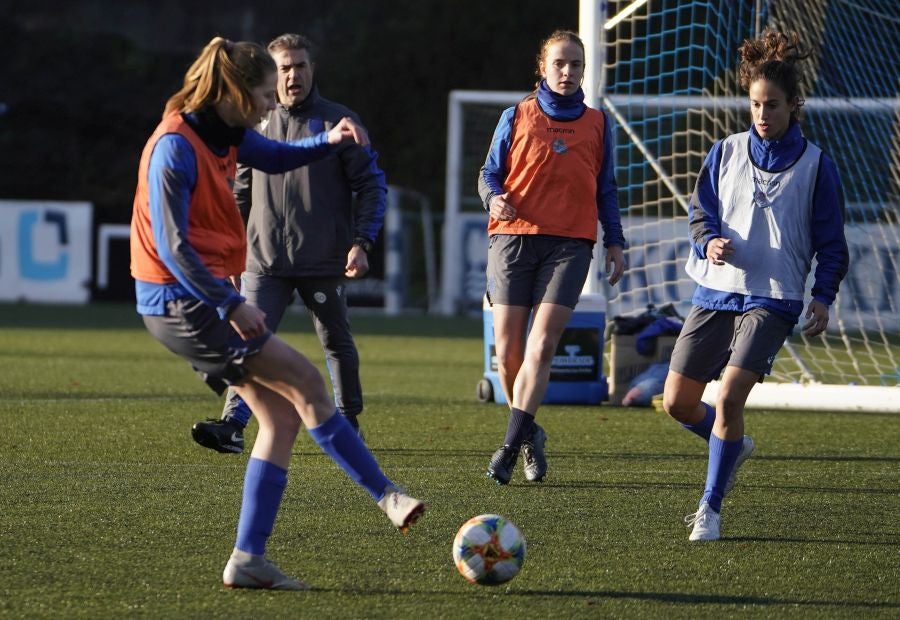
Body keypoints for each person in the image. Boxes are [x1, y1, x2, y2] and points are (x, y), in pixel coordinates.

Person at [130, 37, 424, 590]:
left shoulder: (229, 133)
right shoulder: (175, 146)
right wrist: (232, 303)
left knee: (282, 416)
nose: (272, 105)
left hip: (194, 300)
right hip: (181, 302)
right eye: (265, 93)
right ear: (236, 92)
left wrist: (329, 139)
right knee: (310, 383)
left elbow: (280, 156)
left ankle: (248, 559)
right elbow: (172, 249)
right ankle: (386, 495)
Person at [662, 29, 849, 542]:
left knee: (728, 399)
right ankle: (733, 446)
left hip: (775, 296)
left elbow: (832, 243)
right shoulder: (724, 153)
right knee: (677, 402)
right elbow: (701, 215)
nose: (762, 114)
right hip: (716, 291)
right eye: (754, 105)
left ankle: (710, 508)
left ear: (794, 105)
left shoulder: (818, 167)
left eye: (771, 105)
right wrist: (709, 242)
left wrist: (823, 295)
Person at [190, 33, 386, 453]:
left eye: (300, 66)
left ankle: (348, 421)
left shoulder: (338, 122)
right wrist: (230, 253)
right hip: (262, 260)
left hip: (322, 258)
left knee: (336, 341)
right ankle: (234, 424)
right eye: (284, 67)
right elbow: (237, 195)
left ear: (312, 69)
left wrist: (362, 242)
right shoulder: (253, 122)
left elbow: (372, 186)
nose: (293, 75)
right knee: (249, 339)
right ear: (271, 74)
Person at [477, 30, 627, 485]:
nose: (567, 72)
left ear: (584, 70)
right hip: (513, 238)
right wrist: (494, 198)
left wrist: (615, 242)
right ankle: (529, 434)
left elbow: (607, 190)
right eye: (559, 63)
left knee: (542, 346)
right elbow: (488, 173)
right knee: (508, 354)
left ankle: (507, 448)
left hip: (570, 244)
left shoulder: (599, 125)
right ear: (542, 67)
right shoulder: (516, 115)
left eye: (575, 65)